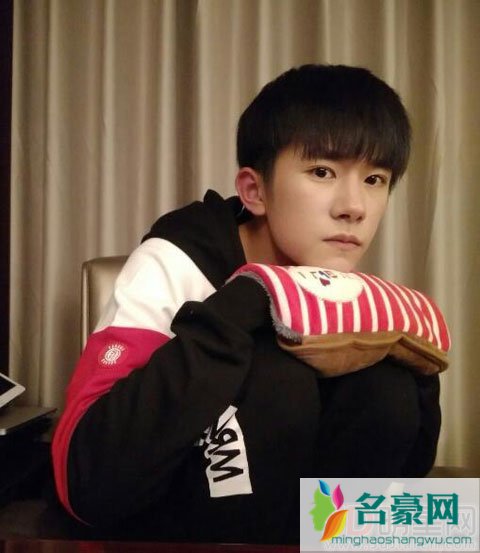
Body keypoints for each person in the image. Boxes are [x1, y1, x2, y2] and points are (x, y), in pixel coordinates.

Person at [51, 64, 441, 544]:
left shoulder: (335, 283)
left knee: (387, 388)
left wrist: (416, 365)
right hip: (164, 518)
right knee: (279, 380)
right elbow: (86, 482)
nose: (354, 207)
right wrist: (244, 304)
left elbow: (406, 472)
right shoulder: (173, 263)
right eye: (322, 172)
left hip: (306, 527)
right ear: (255, 191)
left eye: (375, 179)